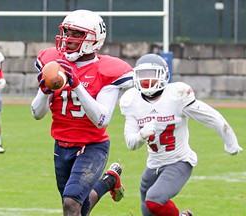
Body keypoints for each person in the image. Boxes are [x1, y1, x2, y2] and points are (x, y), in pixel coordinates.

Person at [31, 9, 133, 216]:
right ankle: (109, 181)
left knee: (71, 204)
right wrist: (44, 90)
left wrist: (77, 85)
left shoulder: (107, 70)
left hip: (92, 146)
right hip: (61, 145)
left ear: (94, 39)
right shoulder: (52, 61)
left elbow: (102, 120)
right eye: (66, 32)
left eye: (76, 34)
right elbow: (36, 113)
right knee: (80, 207)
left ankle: (107, 180)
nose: (68, 39)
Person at [119, 53, 243, 216]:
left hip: (179, 161)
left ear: (163, 75)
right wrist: (142, 134)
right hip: (154, 163)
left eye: (152, 75)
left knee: (154, 200)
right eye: (143, 75)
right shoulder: (132, 100)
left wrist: (230, 141)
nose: (146, 80)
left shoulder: (176, 96)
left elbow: (210, 117)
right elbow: (130, 143)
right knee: (147, 209)